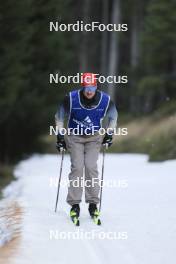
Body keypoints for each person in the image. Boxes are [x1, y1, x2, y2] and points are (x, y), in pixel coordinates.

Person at [55, 72, 118, 224]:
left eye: (92, 87)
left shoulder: (105, 100)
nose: (89, 91)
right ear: (82, 86)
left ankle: (93, 204)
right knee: (77, 167)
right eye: (86, 87)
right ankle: (75, 204)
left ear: (96, 86)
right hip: (74, 137)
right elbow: (59, 116)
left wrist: (109, 135)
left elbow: (113, 117)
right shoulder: (71, 98)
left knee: (91, 167)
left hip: (94, 138)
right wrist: (60, 136)